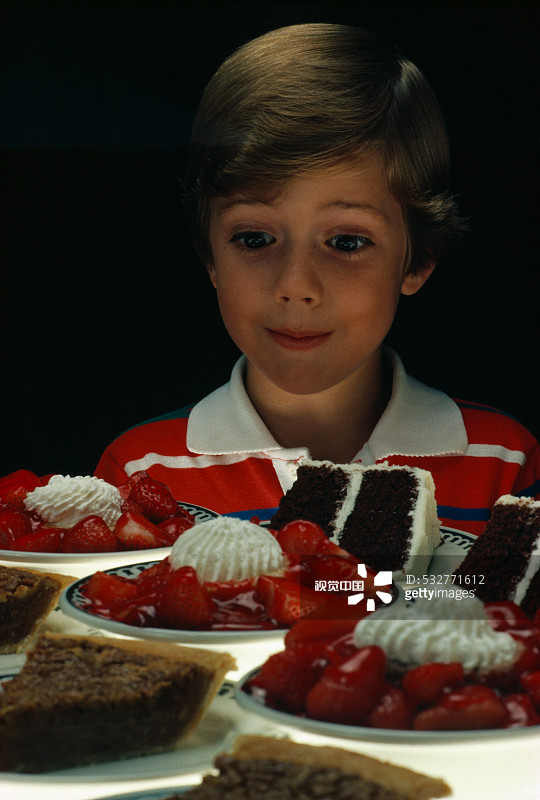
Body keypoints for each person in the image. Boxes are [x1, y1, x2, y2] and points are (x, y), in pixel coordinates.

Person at [94, 23, 540, 537]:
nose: (296, 286)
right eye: (255, 239)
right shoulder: (141, 472)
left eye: (347, 242)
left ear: (417, 261)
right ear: (209, 257)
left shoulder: (505, 467)